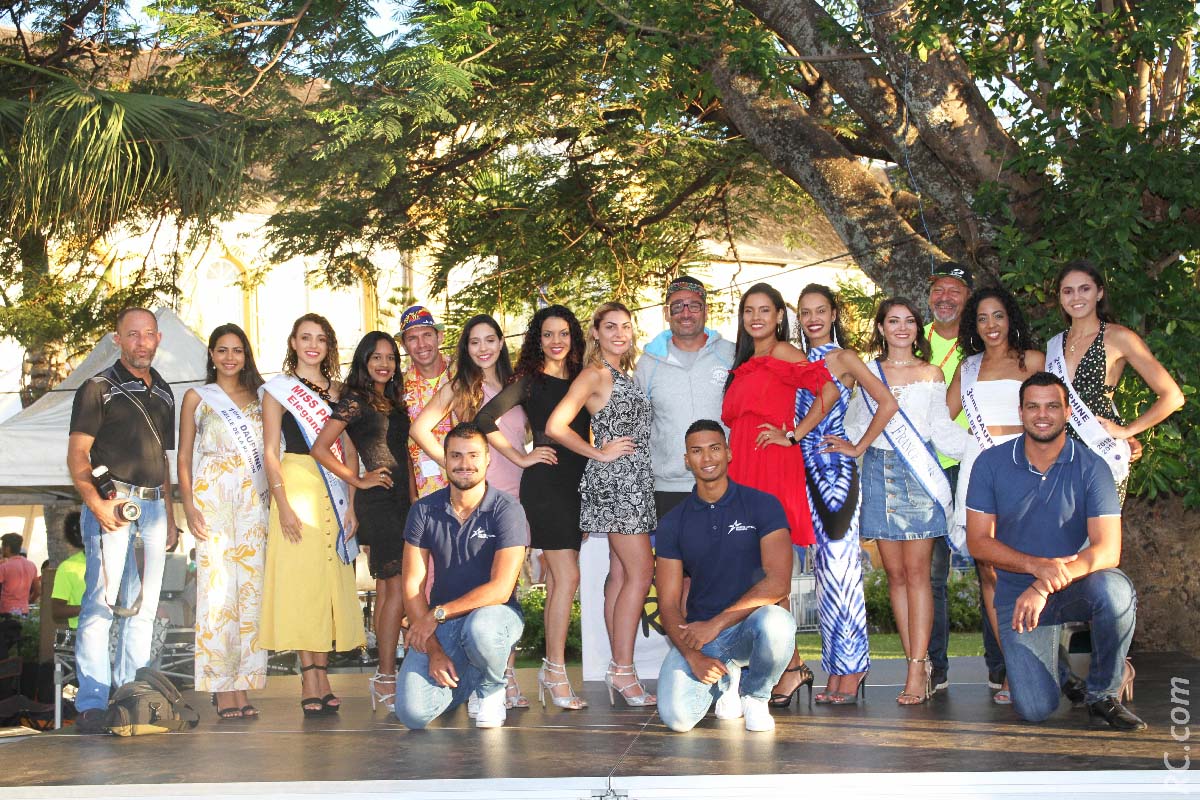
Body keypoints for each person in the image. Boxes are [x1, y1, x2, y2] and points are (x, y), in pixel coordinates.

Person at [966, 372, 1144, 731]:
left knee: (1116, 590)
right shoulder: (990, 463)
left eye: (1052, 406)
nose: (1042, 414)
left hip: (1072, 586)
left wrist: (1043, 583)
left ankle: (1102, 695)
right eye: (1033, 406)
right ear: (1021, 412)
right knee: (1035, 709)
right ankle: (1060, 670)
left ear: (1066, 413)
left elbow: (1108, 550)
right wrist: (1035, 567)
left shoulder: (1092, 466)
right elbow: (978, 542)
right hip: (1018, 598)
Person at [838, 297, 968, 705]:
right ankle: (916, 660)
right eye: (893, 321)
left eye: (909, 321)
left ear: (917, 329)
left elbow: (941, 430)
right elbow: (857, 423)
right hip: (879, 476)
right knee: (894, 576)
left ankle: (916, 667)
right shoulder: (867, 372)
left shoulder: (930, 373)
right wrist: (850, 445)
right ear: (880, 328)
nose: (901, 328)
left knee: (919, 575)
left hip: (919, 477)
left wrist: (989, 445)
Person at [720, 283, 836, 707]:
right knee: (752, 571)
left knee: (774, 572)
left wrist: (794, 435)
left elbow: (829, 391)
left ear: (778, 317)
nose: (756, 318)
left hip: (773, 466)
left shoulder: (786, 354)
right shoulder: (745, 361)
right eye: (749, 310)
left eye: (765, 311)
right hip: (742, 469)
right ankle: (787, 665)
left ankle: (790, 668)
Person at [66, 307, 178, 733]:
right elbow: (78, 455)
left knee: (144, 609)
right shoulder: (98, 387)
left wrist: (169, 514)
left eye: (148, 334)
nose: (141, 342)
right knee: (101, 606)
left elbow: (162, 462)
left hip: (152, 510)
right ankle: (93, 703)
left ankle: (134, 697)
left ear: (158, 339)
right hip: (114, 506)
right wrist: (96, 504)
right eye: (132, 335)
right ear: (117, 339)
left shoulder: (165, 390)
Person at [410, 314, 530, 709]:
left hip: (509, 494)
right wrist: (450, 464)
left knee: (504, 588)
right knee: (468, 581)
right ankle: (475, 676)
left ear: (500, 343)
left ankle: (505, 676)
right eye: (474, 341)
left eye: (490, 340)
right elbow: (420, 429)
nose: (482, 348)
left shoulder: (517, 387)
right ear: (466, 347)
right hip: (472, 491)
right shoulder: (459, 386)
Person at [476, 306, 591, 710]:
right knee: (568, 576)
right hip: (545, 485)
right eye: (547, 334)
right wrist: (522, 456)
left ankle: (551, 669)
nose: (556, 341)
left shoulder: (582, 379)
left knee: (564, 581)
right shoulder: (528, 382)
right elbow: (484, 418)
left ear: (573, 338)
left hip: (578, 484)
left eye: (563, 334)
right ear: (536, 340)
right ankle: (554, 671)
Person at [655, 421, 798, 733]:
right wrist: (692, 655)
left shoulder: (763, 505)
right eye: (697, 451)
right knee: (677, 719)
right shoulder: (672, 522)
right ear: (686, 460)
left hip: (748, 627)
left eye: (714, 448)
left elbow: (778, 583)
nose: (707, 458)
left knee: (778, 622)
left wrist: (716, 623)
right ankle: (727, 683)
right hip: (703, 638)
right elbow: (667, 604)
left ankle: (756, 696)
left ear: (729, 453)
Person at [547, 301, 657, 707]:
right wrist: (598, 453)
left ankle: (618, 666)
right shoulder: (595, 374)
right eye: (609, 327)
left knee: (620, 574)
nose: (618, 333)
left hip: (635, 481)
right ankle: (624, 670)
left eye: (625, 327)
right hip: (617, 483)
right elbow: (556, 425)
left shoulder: (624, 374)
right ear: (594, 332)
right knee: (641, 570)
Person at [260, 314, 366, 717]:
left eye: (320, 339)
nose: (312, 345)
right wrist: (282, 503)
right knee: (304, 585)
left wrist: (354, 503)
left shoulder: (341, 391)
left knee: (329, 584)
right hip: (296, 486)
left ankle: (324, 675)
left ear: (329, 346)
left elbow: (351, 450)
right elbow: (271, 450)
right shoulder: (277, 391)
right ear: (292, 341)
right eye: (305, 338)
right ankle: (309, 678)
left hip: (336, 487)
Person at [796, 285, 898, 704]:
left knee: (843, 572)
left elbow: (887, 403)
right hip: (804, 473)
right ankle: (836, 668)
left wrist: (856, 446)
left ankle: (854, 666)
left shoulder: (846, 358)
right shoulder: (797, 360)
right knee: (822, 575)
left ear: (835, 313)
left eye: (821, 310)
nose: (814, 318)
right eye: (805, 313)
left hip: (836, 474)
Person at [945, 287, 1044, 704]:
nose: (991, 325)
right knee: (990, 574)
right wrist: (968, 445)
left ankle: (1038, 664)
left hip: (1026, 474)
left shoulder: (1033, 361)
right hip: (981, 474)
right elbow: (939, 419)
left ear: (1010, 318)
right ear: (974, 325)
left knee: (1028, 571)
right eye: (983, 318)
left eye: (998, 316)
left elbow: (1057, 412)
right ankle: (1011, 671)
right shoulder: (966, 368)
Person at [394, 423, 528, 729]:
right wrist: (434, 650)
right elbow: (412, 585)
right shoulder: (424, 510)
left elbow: (500, 589)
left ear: (487, 459)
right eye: (455, 455)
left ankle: (493, 687)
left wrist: (436, 614)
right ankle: (471, 679)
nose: (464, 464)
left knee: (480, 629)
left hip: (496, 616)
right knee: (413, 714)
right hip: (444, 625)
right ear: (445, 459)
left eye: (473, 455)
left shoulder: (507, 509)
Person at [310, 331, 411, 714]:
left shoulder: (392, 400)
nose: (384, 364)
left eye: (390, 358)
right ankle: (386, 677)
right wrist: (358, 479)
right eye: (376, 358)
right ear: (364, 361)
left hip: (404, 501)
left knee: (390, 591)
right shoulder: (355, 400)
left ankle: (385, 677)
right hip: (379, 500)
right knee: (396, 588)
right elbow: (322, 447)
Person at [178, 323, 271, 719]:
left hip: (252, 497)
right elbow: (183, 456)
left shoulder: (261, 397)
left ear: (246, 355)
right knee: (216, 593)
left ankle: (244, 685)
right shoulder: (197, 397)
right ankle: (220, 686)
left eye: (237, 350)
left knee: (250, 593)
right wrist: (188, 504)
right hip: (211, 496)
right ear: (212, 355)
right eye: (222, 350)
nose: (230, 357)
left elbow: (271, 451)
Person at [1050, 260, 1184, 503]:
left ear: (1099, 293)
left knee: (1100, 536)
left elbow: (1173, 396)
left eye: (1085, 289)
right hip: (1056, 451)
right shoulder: (1054, 344)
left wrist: (1127, 431)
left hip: (1099, 450)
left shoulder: (1119, 337)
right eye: (1067, 291)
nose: (1076, 297)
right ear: (1059, 297)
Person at [922, 261, 983, 693]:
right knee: (931, 578)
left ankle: (1005, 670)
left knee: (994, 571)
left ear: (968, 298)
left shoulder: (983, 341)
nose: (945, 297)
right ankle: (934, 670)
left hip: (975, 464)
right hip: (925, 467)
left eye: (955, 290)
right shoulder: (912, 336)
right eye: (938, 289)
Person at [635, 275, 735, 519]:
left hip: (726, 482)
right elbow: (639, 427)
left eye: (694, 305)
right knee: (673, 558)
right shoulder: (648, 364)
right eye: (677, 306)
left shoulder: (730, 353)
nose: (686, 312)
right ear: (666, 313)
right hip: (668, 488)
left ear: (706, 310)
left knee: (728, 557)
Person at [399, 305, 454, 498]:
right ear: (404, 346)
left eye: (427, 335)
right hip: (426, 493)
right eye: (412, 338)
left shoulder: (461, 373)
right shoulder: (398, 387)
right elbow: (401, 445)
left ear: (439, 337)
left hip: (470, 485)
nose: (421, 344)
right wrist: (412, 494)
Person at [50, 514, 86, 628]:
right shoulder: (68, 567)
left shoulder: (120, 562)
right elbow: (57, 610)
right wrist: (90, 608)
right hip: (83, 633)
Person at [0, 534, 39, 616]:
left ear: (7, 548)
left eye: (2, 546)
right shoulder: (31, 565)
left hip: (6, 611)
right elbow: (38, 591)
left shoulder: (4, 566)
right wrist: (28, 602)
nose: (1, 549)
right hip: (24, 611)